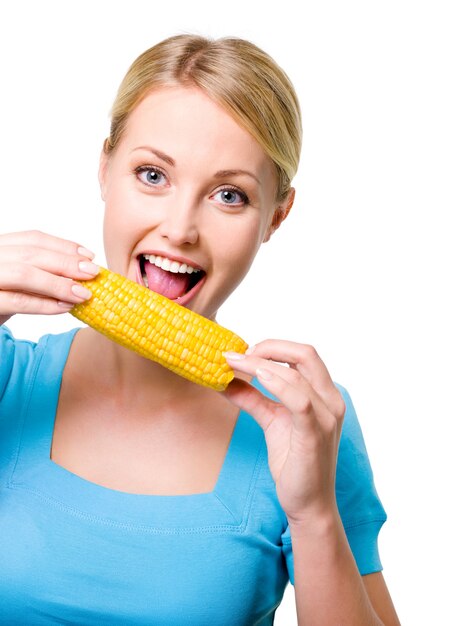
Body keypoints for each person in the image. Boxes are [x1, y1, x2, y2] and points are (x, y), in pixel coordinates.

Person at [0, 34, 400, 625]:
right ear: (105, 169)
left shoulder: (305, 425)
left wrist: (314, 513)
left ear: (276, 217)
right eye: (152, 175)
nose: (179, 228)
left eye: (229, 195)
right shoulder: (10, 377)